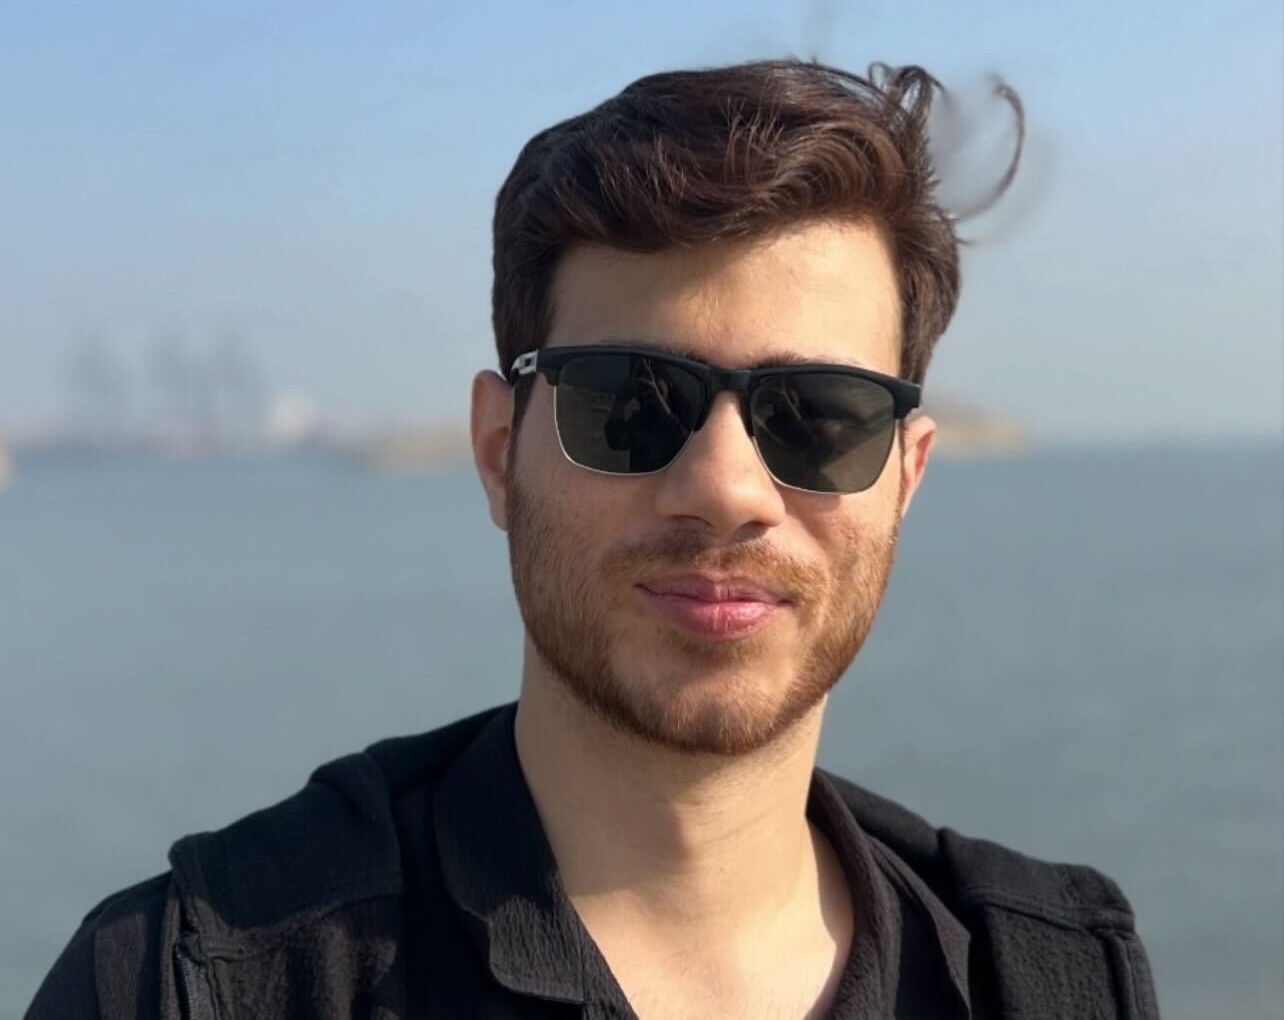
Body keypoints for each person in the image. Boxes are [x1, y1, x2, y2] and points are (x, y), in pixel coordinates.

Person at [26, 59, 1161, 1019]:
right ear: (497, 452)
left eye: (819, 418)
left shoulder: (1051, 981)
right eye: (630, 405)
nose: (724, 490)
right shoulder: (196, 982)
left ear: (905, 479)